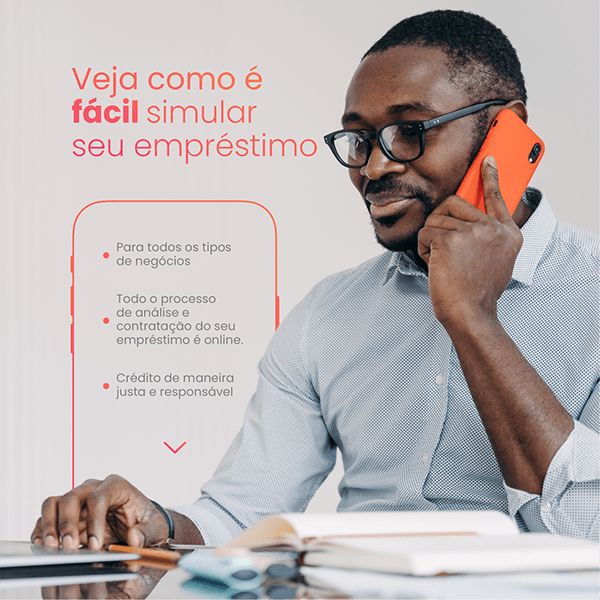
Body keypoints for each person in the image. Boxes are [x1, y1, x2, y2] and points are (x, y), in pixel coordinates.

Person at [32, 10, 599, 550]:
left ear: (507, 131)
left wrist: (473, 318)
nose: (375, 168)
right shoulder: (329, 313)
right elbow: (241, 517)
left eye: (408, 131)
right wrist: (154, 522)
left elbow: (586, 531)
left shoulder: (590, 288)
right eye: (359, 140)